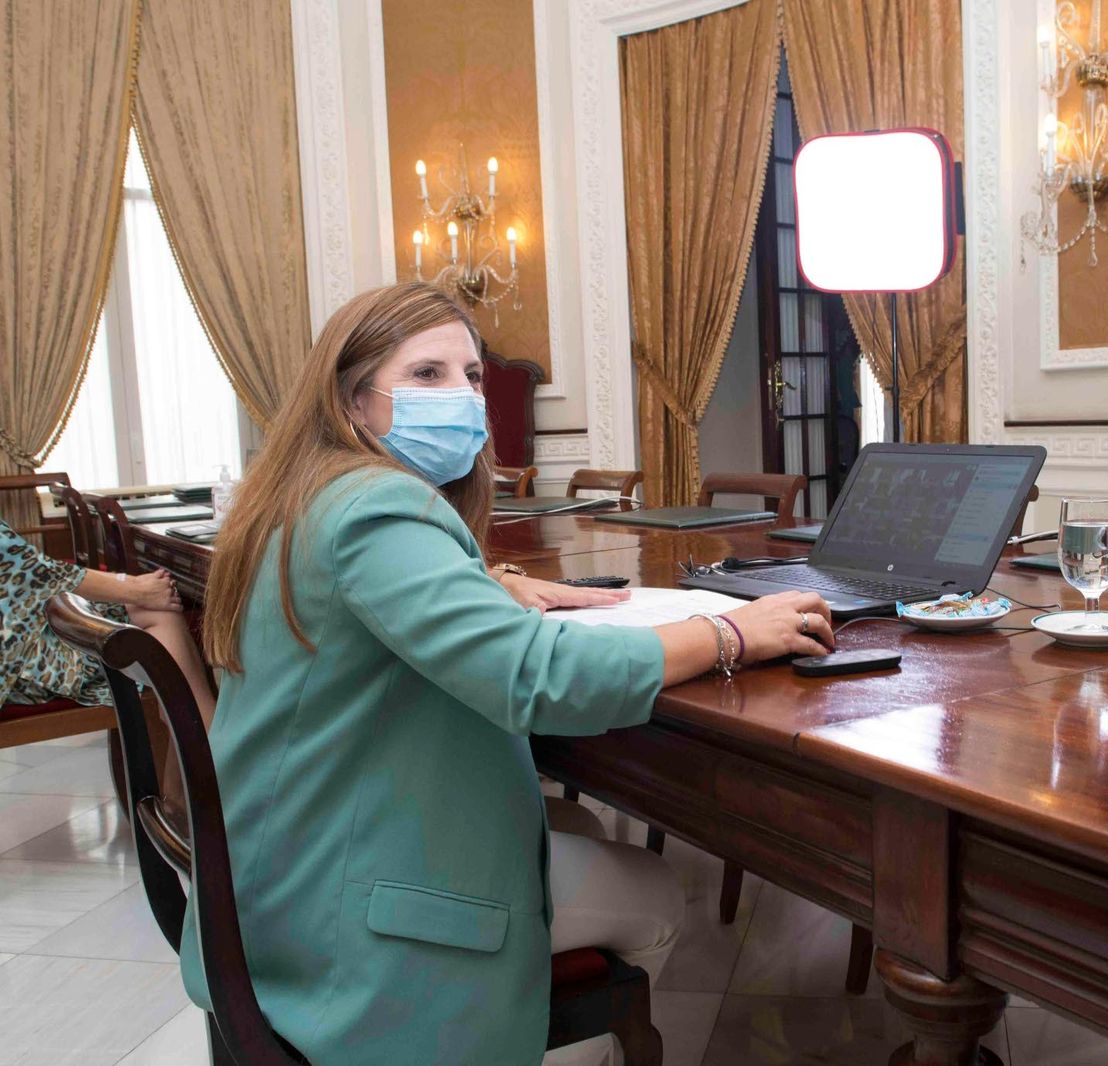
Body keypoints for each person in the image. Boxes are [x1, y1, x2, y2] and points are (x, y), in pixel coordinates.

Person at [179, 283, 840, 1065]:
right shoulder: (373, 508)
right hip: (341, 908)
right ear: (353, 400)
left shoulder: (305, 496)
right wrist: (727, 633)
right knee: (657, 894)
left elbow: (361, 602)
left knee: (581, 829)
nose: (460, 395)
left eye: (469, 375)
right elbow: (535, 677)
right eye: (426, 374)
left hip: (284, 863)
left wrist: (484, 584)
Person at [0, 520, 216, 724]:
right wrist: (135, 590)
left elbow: (34, 571)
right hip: (14, 670)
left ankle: (193, 733)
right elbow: (37, 573)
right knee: (158, 613)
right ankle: (201, 733)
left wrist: (131, 586)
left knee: (149, 611)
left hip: (13, 637)